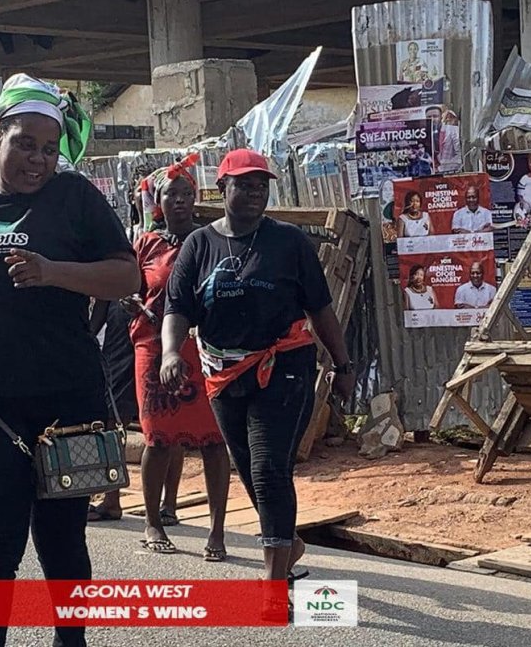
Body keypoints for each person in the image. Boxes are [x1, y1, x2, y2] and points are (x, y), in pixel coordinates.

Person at [0, 73, 138, 647]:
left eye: (49, 149)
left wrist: (52, 272)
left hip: (68, 401)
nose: (38, 159)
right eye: (25, 144)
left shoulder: (76, 198)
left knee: (62, 544)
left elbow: (126, 275)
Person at [160, 149, 354, 591]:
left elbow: (320, 309)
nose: (253, 193)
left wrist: (343, 365)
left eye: (261, 185)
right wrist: (172, 353)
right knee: (248, 467)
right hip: (222, 371)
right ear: (222, 188)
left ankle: (273, 578)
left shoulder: (288, 242)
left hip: (283, 366)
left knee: (268, 466)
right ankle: (287, 542)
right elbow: (177, 307)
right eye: (244, 184)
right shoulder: (199, 244)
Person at [133, 155, 230, 560]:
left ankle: (218, 531)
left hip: (202, 348)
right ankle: (152, 521)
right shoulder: (146, 244)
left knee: (213, 440)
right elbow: (128, 286)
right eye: (172, 193)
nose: (180, 200)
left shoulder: (209, 240)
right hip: (153, 348)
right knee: (157, 437)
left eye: (187, 193)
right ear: (159, 200)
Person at [85, 298, 185, 524]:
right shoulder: (120, 261)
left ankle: (169, 505)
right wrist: (90, 332)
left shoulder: (173, 260)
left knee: (170, 417)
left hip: (161, 326)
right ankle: (111, 500)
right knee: (113, 415)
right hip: (121, 328)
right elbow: (106, 289)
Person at [427, 105, 461, 173]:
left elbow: (459, 156)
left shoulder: (452, 131)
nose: (432, 119)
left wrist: (442, 167)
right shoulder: (423, 134)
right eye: (429, 117)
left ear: (441, 117)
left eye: (435, 116)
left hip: (449, 173)